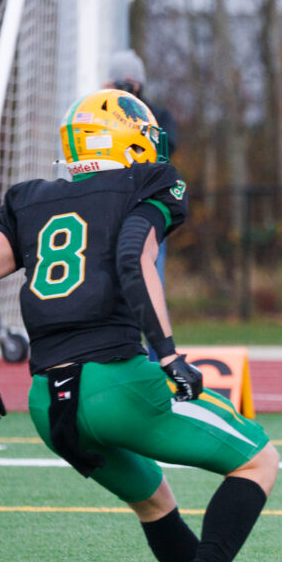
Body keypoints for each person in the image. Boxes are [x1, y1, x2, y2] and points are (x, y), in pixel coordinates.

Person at [0, 88, 279, 562]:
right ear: (128, 138)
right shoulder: (149, 181)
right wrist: (169, 355)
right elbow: (132, 258)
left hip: (48, 404)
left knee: (154, 501)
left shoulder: (29, 199)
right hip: (117, 384)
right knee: (259, 460)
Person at [105, 49, 178, 361]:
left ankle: (156, 356)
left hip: (143, 210)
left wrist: (135, 109)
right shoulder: (102, 112)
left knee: (148, 278)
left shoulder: (157, 115)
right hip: (108, 209)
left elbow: (163, 148)